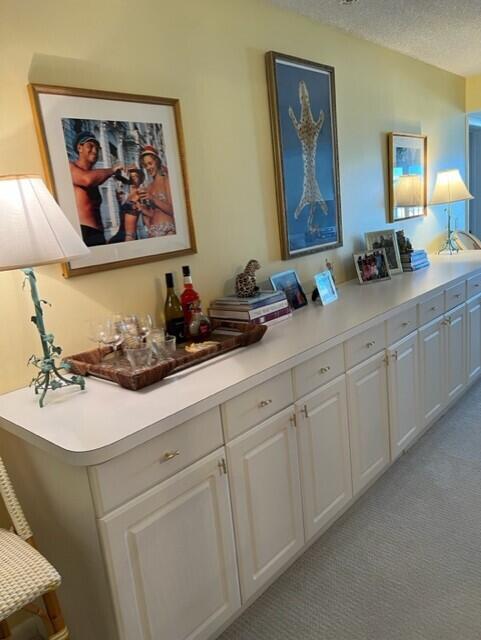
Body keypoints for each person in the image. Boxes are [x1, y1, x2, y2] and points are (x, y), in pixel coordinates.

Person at [69, 131, 123, 246]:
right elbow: (86, 180)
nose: (95, 150)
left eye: (97, 148)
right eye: (90, 146)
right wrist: (112, 170)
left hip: (98, 234)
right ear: (80, 147)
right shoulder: (71, 167)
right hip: (82, 232)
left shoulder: (95, 175)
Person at [138, 145, 176, 237]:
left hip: (167, 231)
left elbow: (173, 210)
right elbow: (153, 213)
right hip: (153, 232)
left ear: (157, 162)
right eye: (145, 165)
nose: (148, 168)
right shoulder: (149, 187)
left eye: (150, 163)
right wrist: (142, 209)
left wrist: (152, 198)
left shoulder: (167, 181)